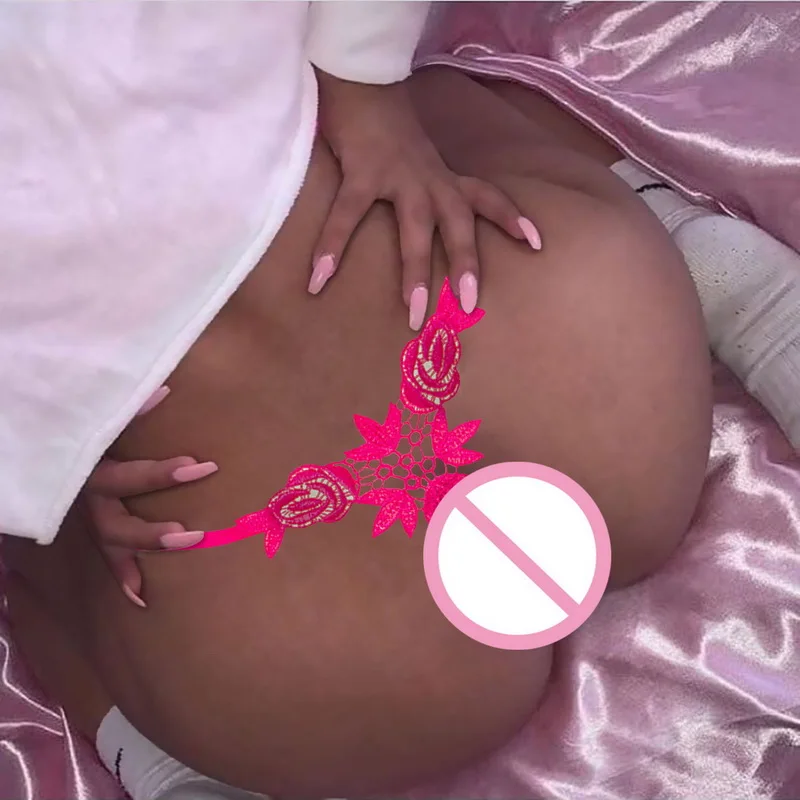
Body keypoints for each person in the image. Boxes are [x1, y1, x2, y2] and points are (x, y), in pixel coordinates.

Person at [4, 63, 714, 798]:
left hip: (270, 622)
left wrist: (40, 466)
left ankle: (167, 775)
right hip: (583, 353)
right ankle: (726, 274)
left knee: (46, 559)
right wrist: (372, 101)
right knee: (435, 97)